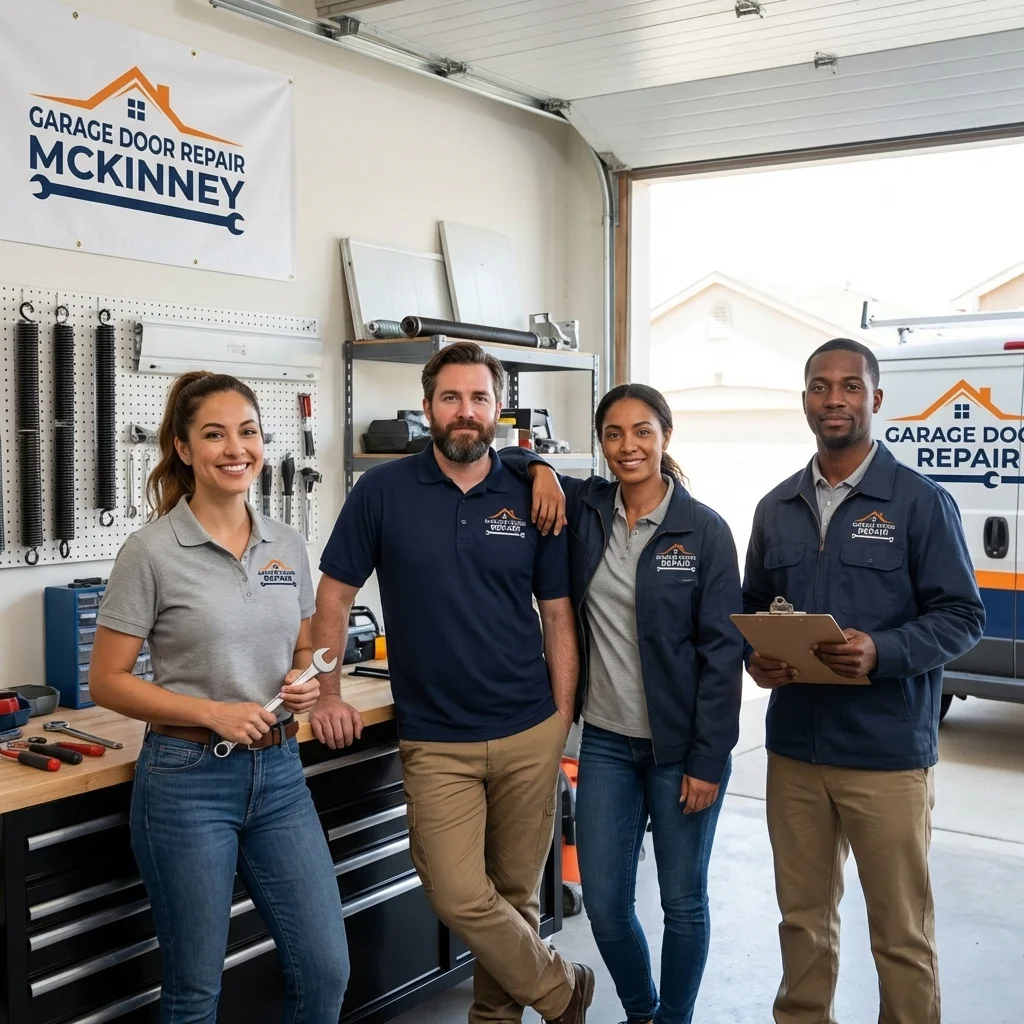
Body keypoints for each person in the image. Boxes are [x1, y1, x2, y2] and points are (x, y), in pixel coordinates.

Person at [309, 341, 594, 1024]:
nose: (464, 413)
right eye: (450, 398)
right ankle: (561, 987)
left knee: (516, 896)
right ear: (427, 406)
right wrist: (326, 693)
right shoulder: (381, 491)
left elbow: (557, 618)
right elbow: (333, 598)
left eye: (478, 399)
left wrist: (559, 718)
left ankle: (495, 1019)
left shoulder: (530, 492)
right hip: (436, 739)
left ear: (499, 409)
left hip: (527, 726)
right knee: (460, 893)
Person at [89, 372, 349, 1024]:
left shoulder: (285, 543)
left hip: (281, 776)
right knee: (195, 992)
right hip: (187, 783)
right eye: (214, 434)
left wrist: (304, 685)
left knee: (325, 972)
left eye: (248, 432)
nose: (236, 449)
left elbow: (300, 652)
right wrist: (213, 711)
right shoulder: (149, 552)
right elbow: (108, 680)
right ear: (183, 447)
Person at [743, 338, 985, 1024]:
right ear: (805, 402)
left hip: (885, 755)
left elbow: (964, 616)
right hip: (794, 753)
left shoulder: (919, 503)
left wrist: (882, 650)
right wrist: (757, 658)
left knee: (901, 933)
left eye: (850, 387)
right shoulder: (776, 507)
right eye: (820, 387)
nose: (835, 399)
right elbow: (756, 607)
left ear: (876, 400)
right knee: (802, 925)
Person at [499, 383, 743, 1024]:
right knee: (606, 904)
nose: (628, 446)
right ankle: (642, 1011)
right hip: (606, 739)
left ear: (666, 436)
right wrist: (546, 467)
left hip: (681, 746)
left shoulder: (705, 532)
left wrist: (708, 759)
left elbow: (724, 656)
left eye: (642, 431)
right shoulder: (588, 508)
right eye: (613, 433)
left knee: (683, 901)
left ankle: (674, 1019)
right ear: (601, 442)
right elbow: (508, 458)